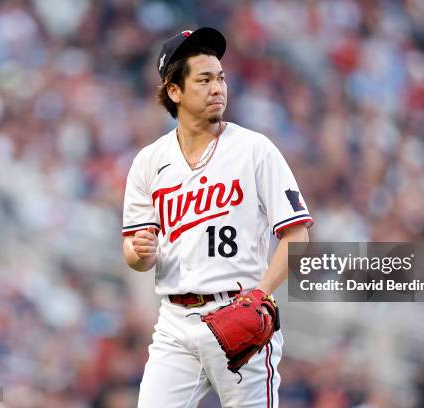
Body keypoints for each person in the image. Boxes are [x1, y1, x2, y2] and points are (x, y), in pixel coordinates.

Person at [122, 27, 313, 408]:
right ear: (174, 91)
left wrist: (260, 295)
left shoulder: (254, 150)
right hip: (176, 321)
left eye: (221, 78)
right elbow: (135, 255)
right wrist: (138, 252)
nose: (218, 88)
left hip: (240, 315)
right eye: (204, 79)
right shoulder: (149, 161)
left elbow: (297, 237)